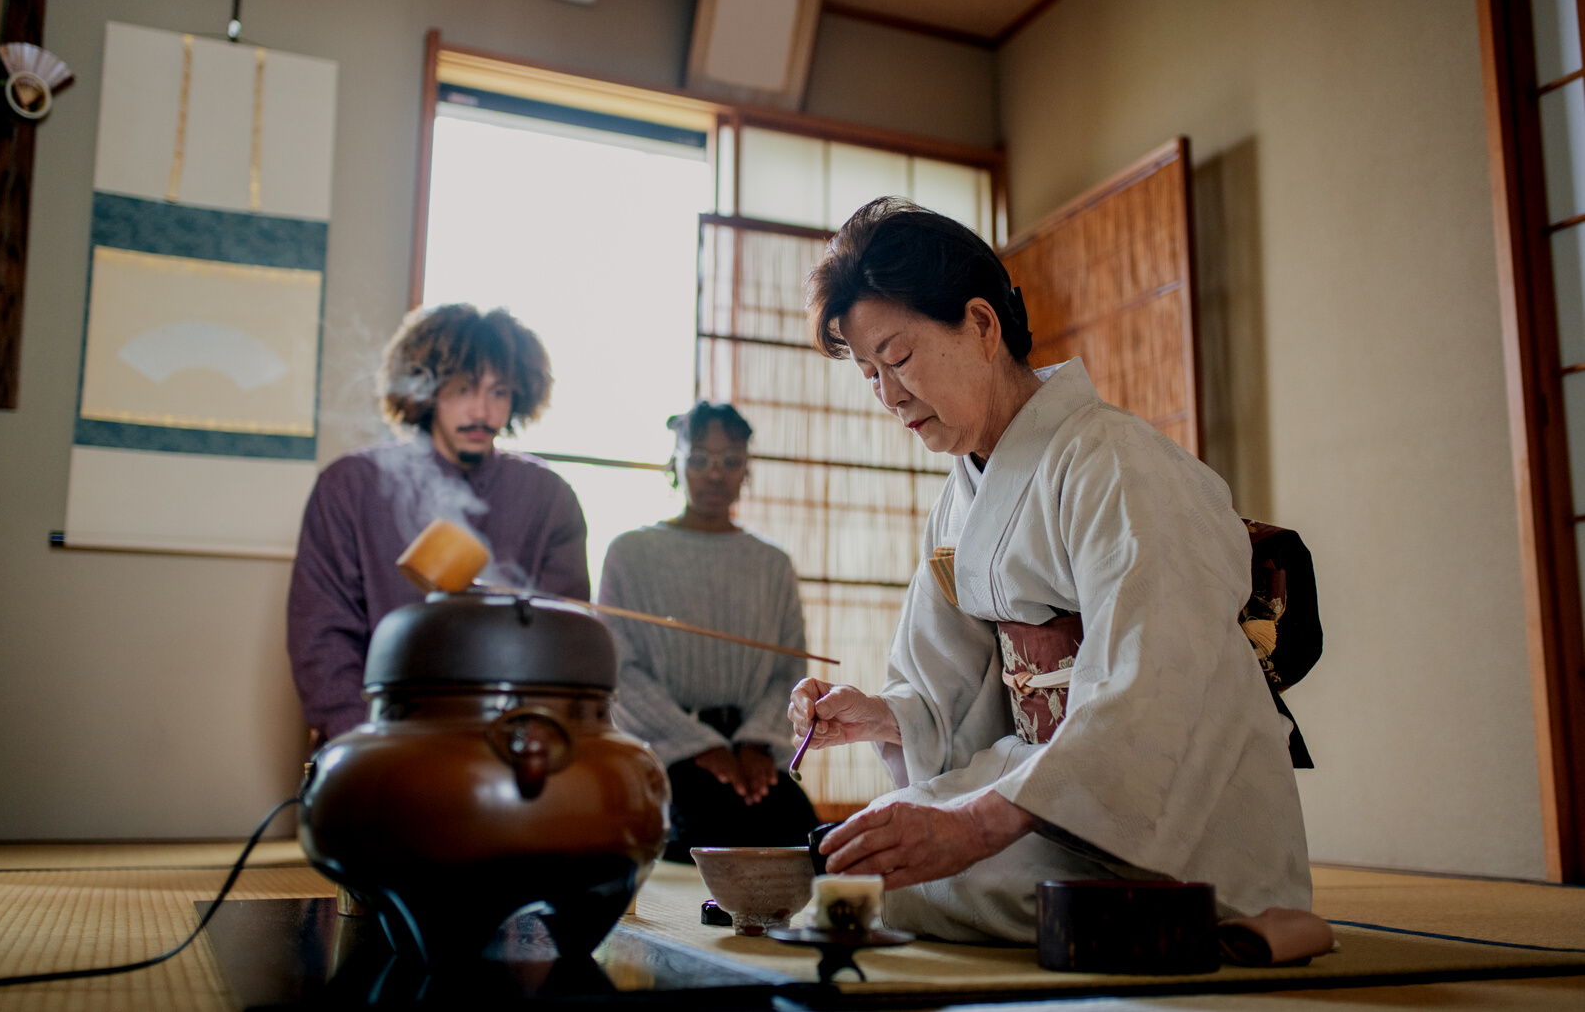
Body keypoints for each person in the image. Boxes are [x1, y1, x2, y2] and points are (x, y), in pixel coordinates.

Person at [788, 198, 1310, 943]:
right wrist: (887, 715)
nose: (888, 395)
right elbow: (944, 682)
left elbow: (1147, 688)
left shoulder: (1119, 464)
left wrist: (974, 821)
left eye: (897, 358)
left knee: (889, 885)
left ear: (979, 324)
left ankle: (1246, 909)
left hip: (1173, 807)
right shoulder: (959, 500)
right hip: (1047, 783)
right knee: (860, 858)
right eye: (869, 373)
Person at [287, 304, 590, 743]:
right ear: (425, 389)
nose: (482, 412)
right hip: (379, 736)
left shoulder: (549, 497)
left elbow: (562, 644)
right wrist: (360, 743)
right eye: (464, 388)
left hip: (510, 743)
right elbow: (322, 638)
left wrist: (524, 741)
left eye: (499, 392)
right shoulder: (351, 486)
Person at [602, 402, 820, 861]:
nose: (715, 475)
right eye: (699, 459)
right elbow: (620, 674)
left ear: (747, 469)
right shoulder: (630, 554)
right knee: (702, 837)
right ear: (675, 465)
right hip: (667, 757)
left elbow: (789, 673)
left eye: (731, 462)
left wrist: (755, 744)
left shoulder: (772, 564)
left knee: (803, 841)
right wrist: (699, 747)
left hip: (755, 755)